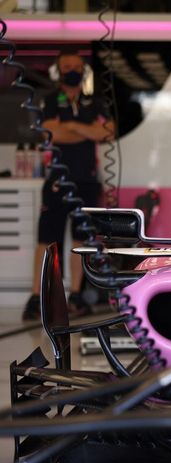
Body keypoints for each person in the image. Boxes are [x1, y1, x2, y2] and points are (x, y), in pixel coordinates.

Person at [23, 50, 114, 321]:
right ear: (58, 70)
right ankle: (37, 297)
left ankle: (76, 295)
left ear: (83, 70)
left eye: (76, 66)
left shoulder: (94, 101)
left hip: (87, 179)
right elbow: (51, 132)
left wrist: (71, 126)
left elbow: (108, 131)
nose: (72, 70)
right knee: (46, 239)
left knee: (80, 239)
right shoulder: (51, 99)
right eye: (67, 66)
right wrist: (86, 131)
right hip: (57, 180)